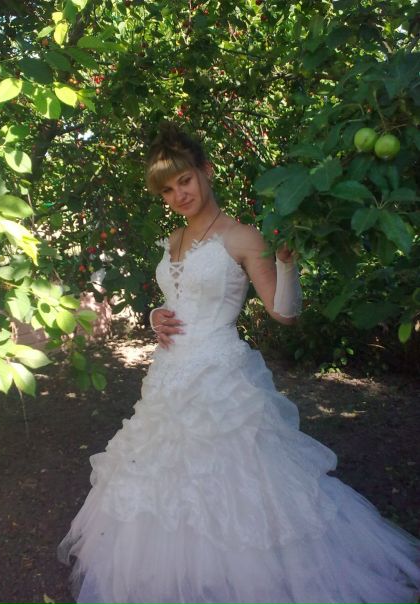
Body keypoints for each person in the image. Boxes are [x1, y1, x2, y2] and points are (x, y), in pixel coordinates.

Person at [58, 123, 420, 604]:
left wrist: (286, 264)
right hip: (169, 378)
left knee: (237, 482)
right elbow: (178, 299)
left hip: (220, 379)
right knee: (164, 480)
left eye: (184, 180)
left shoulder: (243, 237)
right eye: (167, 190)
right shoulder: (172, 239)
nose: (179, 195)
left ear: (206, 172)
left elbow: (285, 314)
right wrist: (154, 316)